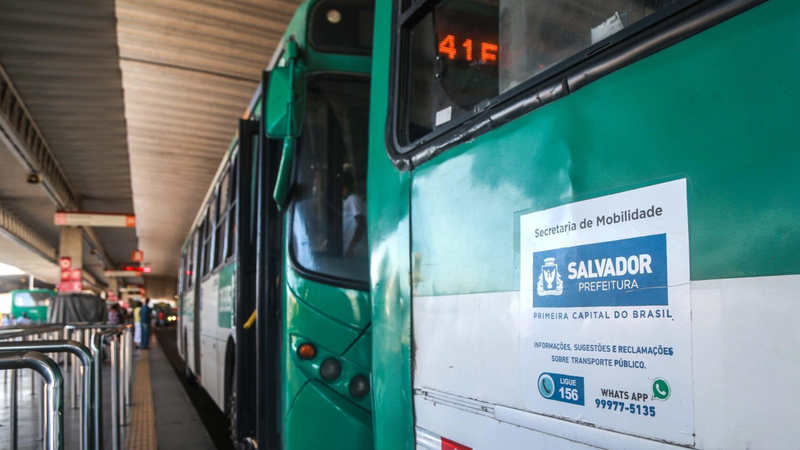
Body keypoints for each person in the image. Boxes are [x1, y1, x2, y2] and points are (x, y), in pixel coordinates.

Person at [342, 173, 367, 258]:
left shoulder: (353, 199)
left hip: (355, 250)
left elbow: (361, 224)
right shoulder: (345, 201)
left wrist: (352, 246)